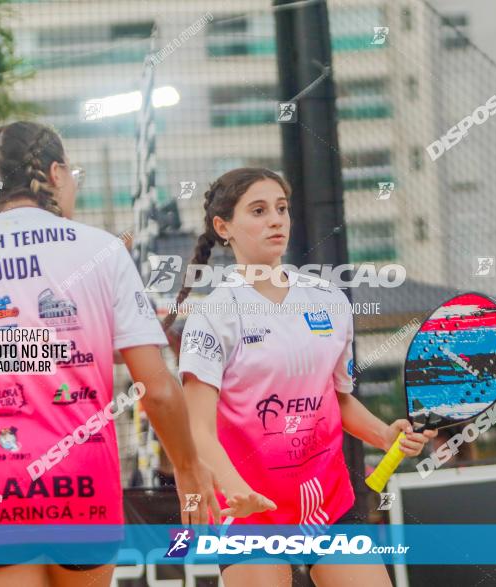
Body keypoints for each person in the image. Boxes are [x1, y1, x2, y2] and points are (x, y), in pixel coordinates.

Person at [0, 121, 218, 587]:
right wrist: (187, 467)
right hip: (82, 484)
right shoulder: (101, 250)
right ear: (56, 173)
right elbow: (158, 388)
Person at [167, 168, 436, 586]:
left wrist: (385, 435)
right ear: (224, 228)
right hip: (249, 514)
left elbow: (338, 397)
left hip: (327, 504)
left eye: (281, 208)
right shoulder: (213, 315)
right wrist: (240, 491)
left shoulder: (328, 299)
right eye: (258, 210)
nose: (276, 220)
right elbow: (198, 429)